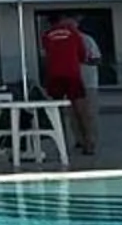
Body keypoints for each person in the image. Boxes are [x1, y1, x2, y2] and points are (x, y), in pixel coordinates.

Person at [40, 14, 98, 158]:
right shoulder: (74, 34)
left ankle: (62, 144)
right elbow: (82, 55)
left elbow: (47, 54)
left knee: (57, 112)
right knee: (81, 110)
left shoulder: (46, 35)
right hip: (72, 74)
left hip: (54, 76)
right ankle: (89, 143)